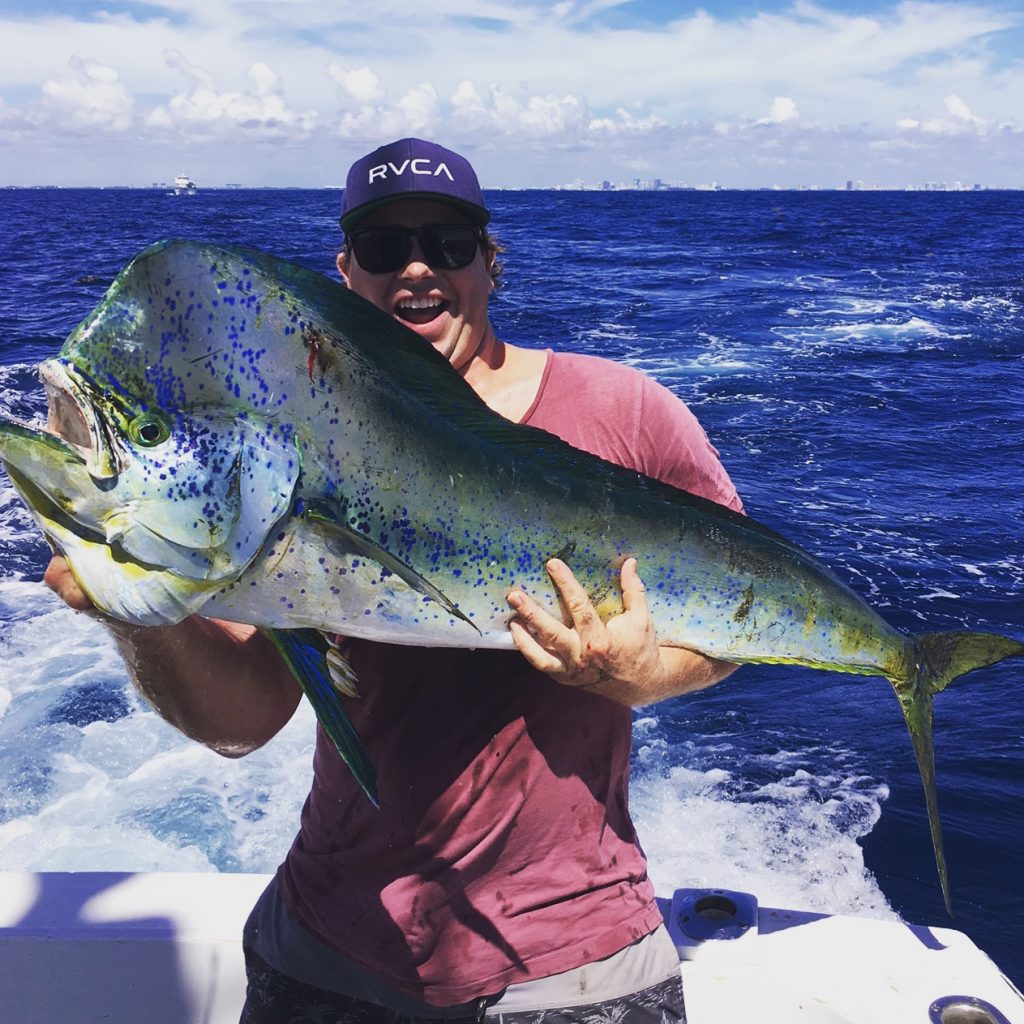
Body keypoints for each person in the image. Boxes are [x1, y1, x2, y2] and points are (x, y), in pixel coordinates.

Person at [44, 138, 744, 1023]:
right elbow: (246, 723)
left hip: (574, 958)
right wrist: (137, 607)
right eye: (383, 250)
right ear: (345, 274)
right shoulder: (295, 441)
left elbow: (741, 623)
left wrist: (635, 674)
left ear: (491, 262)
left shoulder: (626, 410)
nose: (417, 268)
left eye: (447, 243)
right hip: (330, 946)